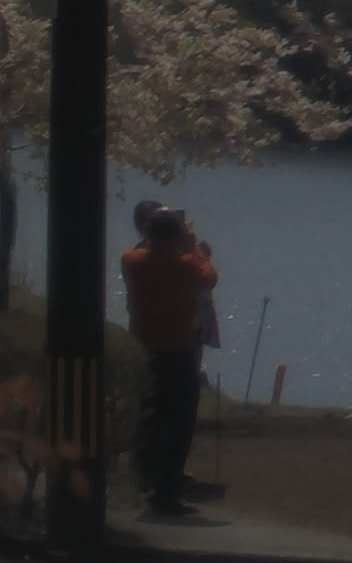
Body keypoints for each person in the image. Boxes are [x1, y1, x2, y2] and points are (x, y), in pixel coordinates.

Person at [118, 203, 217, 518]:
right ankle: (166, 493)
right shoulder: (189, 267)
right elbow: (209, 275)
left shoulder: (131, 261)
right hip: (177, 352)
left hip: (142, 349)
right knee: (177, 425)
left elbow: (144, 250)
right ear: (177, 235)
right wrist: (191, 244)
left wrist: (173, 239)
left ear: (146, 233)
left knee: (147, 418)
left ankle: (138, 480)